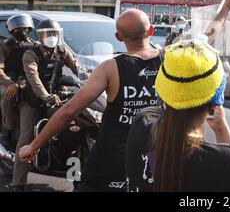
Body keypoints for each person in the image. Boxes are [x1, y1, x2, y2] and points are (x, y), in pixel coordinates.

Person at [19, 10, 161, 192]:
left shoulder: (111, 68)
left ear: (118, 37)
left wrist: (33, 145)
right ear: (151, 31)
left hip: (111, 160)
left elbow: (69, 111)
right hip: (156, 153)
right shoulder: (168, 62)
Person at [125, 40, 230, 192]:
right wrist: (221, 130)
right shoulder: (225, 161)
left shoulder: (141, 124)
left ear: (163, 93)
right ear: (215, 104)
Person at [11, 19, 79, 192]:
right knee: (26, 137)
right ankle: (18, 183)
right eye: (47, 34)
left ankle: (75, 176)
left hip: (56, 97)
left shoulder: (62, 50)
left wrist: (89, 79)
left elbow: (78, 67)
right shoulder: (30, 54)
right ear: (40, 36)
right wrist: (46, 96)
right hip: (32, 100)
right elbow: (33, 79)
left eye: (54, 34)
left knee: (75, 129)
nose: (51, 38)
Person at [0, 14, 37, 148]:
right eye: (18, 29)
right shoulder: (4, 45)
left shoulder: (35, 45)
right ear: (11, 30)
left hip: (29, 80)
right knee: (7, 94)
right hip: (9, 79)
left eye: (25, 28)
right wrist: (9, 83)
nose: (22, 31)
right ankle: (7, 129)